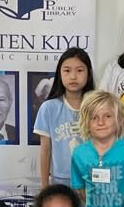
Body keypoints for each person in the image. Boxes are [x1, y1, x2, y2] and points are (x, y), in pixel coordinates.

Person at [34, 48, 94, 188]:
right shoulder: (49, 108)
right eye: (67, 71)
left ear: (89, 74)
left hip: (92, 180)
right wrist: (44, 186)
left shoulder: (97, 106)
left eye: (80, 70)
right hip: (60, 182)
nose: (73, 76)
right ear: (59, 74)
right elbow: (45, 150)